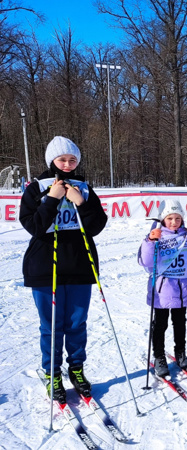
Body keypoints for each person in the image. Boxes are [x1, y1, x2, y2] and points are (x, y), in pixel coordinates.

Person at [20, 137, 108, 402]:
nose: (68, 164)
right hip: (46, 267)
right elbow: (34, 227)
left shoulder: (84, 187)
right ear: (52, 161)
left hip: (80, 266)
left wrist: (80, 202)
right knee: (51, 325)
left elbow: (96, 226)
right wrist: (51, 200)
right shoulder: (37, 188)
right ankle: (52, 372)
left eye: (72, 160)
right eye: (62, 160)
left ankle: (76, 369)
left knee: (77, 323)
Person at [138, 200, 187, 377]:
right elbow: (145, 261)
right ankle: (159, 356)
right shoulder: (157, 235)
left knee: (180, 322)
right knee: (160, 324)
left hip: (183, 287)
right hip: (162, 289)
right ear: (163, 219)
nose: (174, 222)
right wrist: (150, 241)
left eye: (178, 218)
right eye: (170, 218)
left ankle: (180, 351)